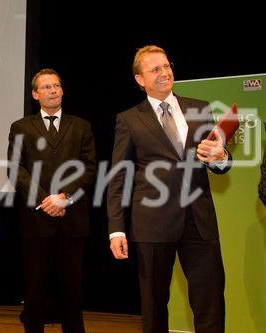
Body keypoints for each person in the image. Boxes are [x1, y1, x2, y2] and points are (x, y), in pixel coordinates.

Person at [107, 45, 232, 333]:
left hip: (199, 223)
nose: (164, 73)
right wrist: (116, 228)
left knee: (210, 303)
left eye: (167, 66)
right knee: (153, 307)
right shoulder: (128, 119)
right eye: (155, 69)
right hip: (151, 225)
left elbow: (221, 164)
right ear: (140, 79)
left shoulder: (200, 108)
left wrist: (221, 157)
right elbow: (117, 177)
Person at [8, 68, 96, 333]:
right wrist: (46, 200)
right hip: (36, 219)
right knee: (35, 287)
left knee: (72, 289)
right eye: (46, 87)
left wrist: (64, 197)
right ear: (35, 94)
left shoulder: (81, 126)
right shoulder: (21, 127)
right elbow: (16, 169)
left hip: (73, 218)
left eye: (56, 85)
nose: (53, 90)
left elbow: (89, 167)